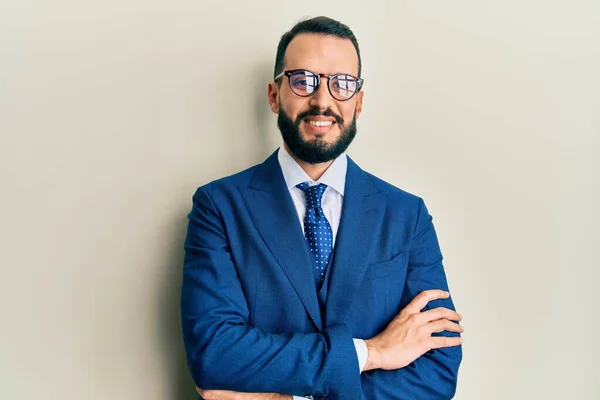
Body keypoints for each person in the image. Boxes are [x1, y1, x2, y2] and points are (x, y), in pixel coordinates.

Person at [181, 16, 463, 400]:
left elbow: (437, 375)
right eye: (303, 80)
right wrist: (372, 352)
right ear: (274, 94)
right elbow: (215, 354)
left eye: (342, 84)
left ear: (359, 102)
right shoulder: (219, 206)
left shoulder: (406, 216)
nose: (323, 100)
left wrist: (288, 396)